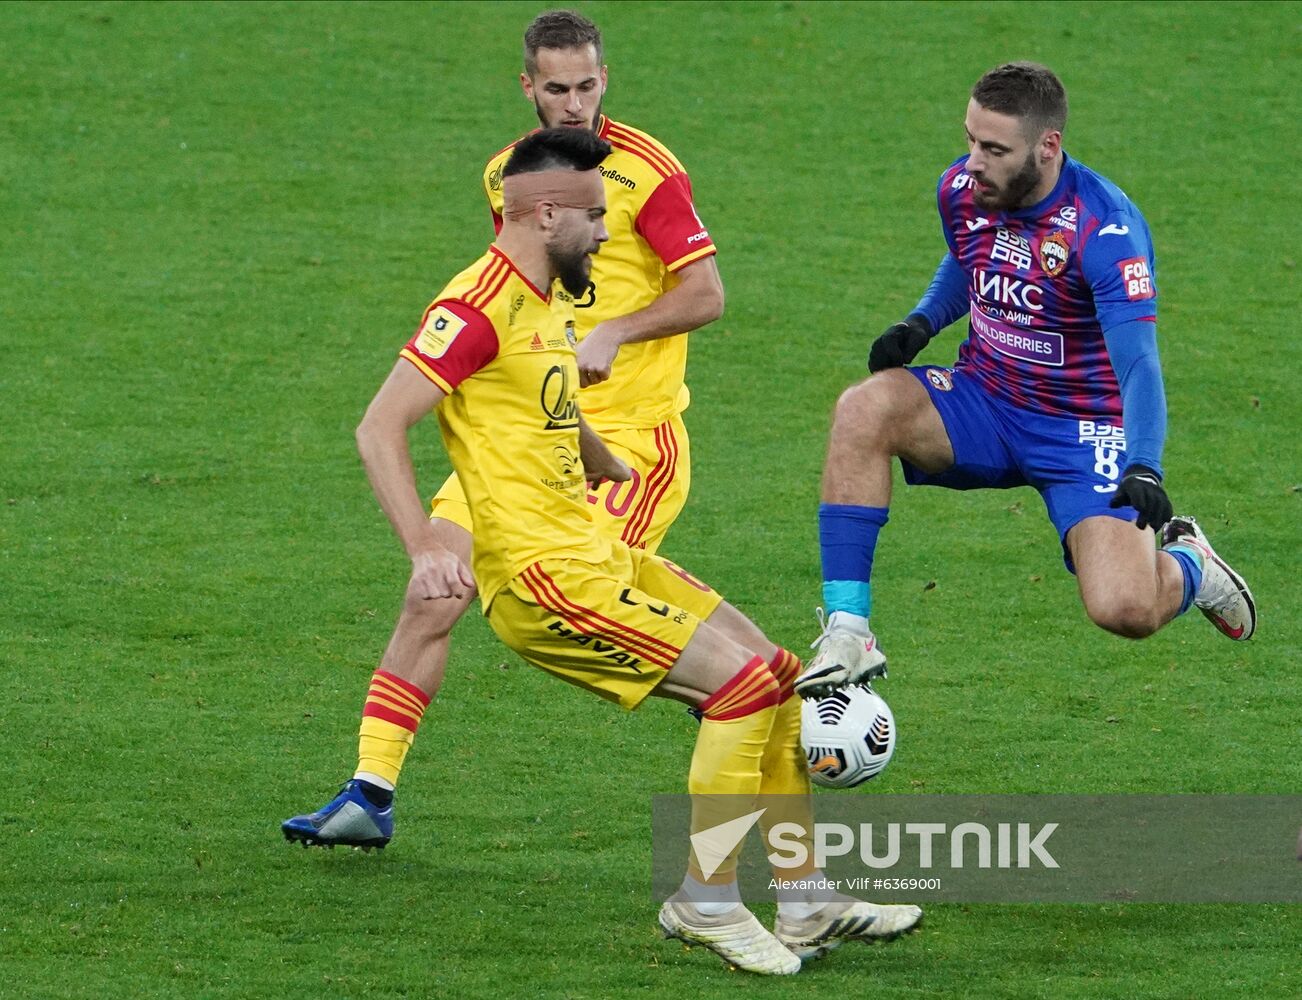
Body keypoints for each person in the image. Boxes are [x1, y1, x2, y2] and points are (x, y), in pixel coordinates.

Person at [286, 128, 919, 974]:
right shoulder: (474, 308)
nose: (606, 234)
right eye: (593, 217)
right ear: (546, 214)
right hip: (543, 579)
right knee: (733, 692)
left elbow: (530, 401)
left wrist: (590, 451)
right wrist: (422, 547)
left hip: (593, 545)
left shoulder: (546, 293)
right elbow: (378, 426)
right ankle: (707, 900)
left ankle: (805, 902)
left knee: (772, 673)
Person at [283, 8, 724, 845]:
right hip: (527, 433)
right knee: (434, 590)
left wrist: (616, 332)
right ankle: (368, 793)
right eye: (555, 88)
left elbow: (708, 294)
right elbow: (517, 296)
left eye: (587, 85)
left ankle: (755, 732)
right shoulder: (509, 176)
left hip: (626, 446)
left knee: (599, 617)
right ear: (527, 87)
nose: (572, 103)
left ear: (606, 79)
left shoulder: (649, 173)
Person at [795, 62, 1256, 699]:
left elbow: (1139, 364)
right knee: (863, 408)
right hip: (984, 403)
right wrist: (921, 323)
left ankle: (1189, 567)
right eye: (969, 140)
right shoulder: (963, 187)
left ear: (1048, 146)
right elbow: (971, 255)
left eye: (993, 148)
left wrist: (1145, 465)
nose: (973, 162)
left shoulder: (1106, 231)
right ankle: (849, 631)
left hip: (1080, 433)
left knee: (1125, 610)